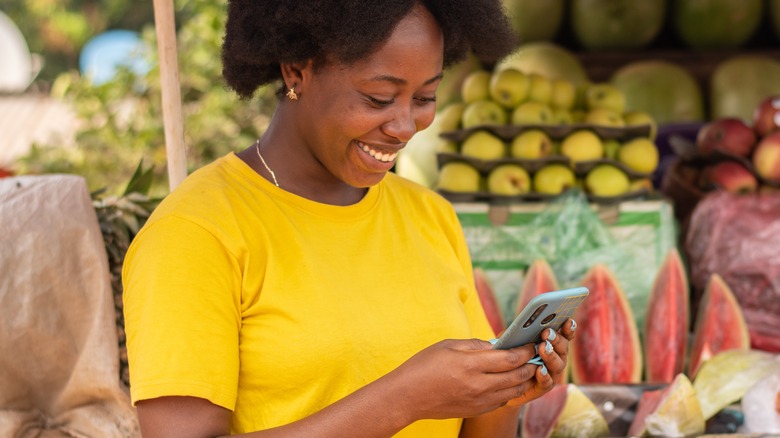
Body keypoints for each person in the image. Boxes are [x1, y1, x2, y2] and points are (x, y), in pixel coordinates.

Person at [122, 1, 577, 436]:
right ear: (297, 69)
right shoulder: (194, 234)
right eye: (378, 98)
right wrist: (406, 398)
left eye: (425, 96)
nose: (403, 126)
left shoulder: (428, 215)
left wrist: (507, 389)